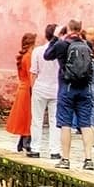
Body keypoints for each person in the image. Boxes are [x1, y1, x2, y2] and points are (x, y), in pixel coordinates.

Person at [44, 19, 94, 171]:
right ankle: (88, 159)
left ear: (67, 29)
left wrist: (55, 37)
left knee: (65, 124)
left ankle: (65, 159)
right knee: (86, 124)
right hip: (85, 88)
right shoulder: (87, 45)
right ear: (81, 29)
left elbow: (47, 55)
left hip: (67, 88)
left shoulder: (62, 45)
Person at [29, 23, 62, 160]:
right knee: (55, 121)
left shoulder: (38, 51)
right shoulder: (61, 51)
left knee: (37, 120)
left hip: (40, 87)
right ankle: (55, 150)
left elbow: (33, 72)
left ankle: (35, 148)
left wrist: (33, 89)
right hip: (56, 88)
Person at [7, 31, 36, 153]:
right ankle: (26, 142)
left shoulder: (23, 57)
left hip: (22, 87)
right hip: (28, 88)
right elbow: (31, 74)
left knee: (24, 116)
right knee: (29, 116)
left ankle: (21, 142)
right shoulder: (28, 57)